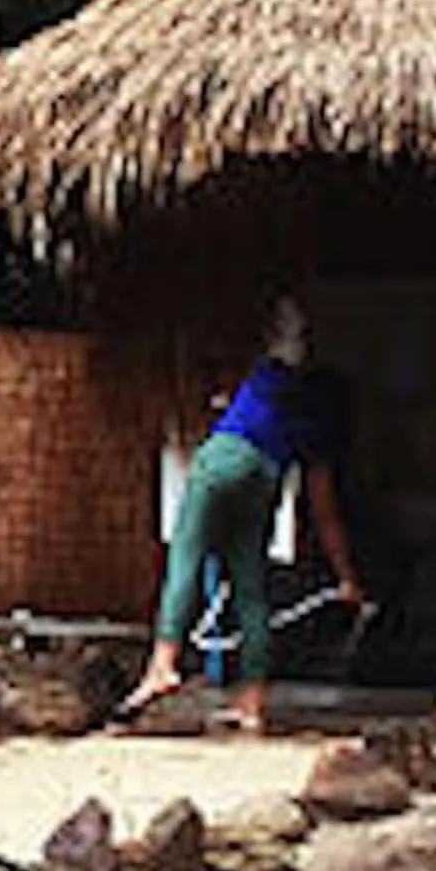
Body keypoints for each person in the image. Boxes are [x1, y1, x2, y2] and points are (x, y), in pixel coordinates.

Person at [122, 296, 367, 733]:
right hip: (266, 479)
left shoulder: (263, 378)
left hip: (224, 460)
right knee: (250, 585)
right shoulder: (317, 417)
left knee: (185, 559)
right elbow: (325, 512)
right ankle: (252, 702)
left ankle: (163, 665)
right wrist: (348, 578)